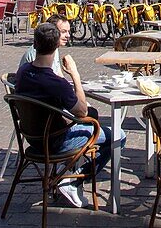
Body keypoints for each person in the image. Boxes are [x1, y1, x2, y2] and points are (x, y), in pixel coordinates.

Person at [15, 22, 119, 208]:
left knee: (91, 120)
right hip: (55, 141)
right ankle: (71, 180)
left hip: (32, 139)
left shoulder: (23, 72)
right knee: (117, 135)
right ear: (56, 46)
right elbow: (81, 111)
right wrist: (75, 74)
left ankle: (68, 174)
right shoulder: (55, 82)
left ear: (35, 44)